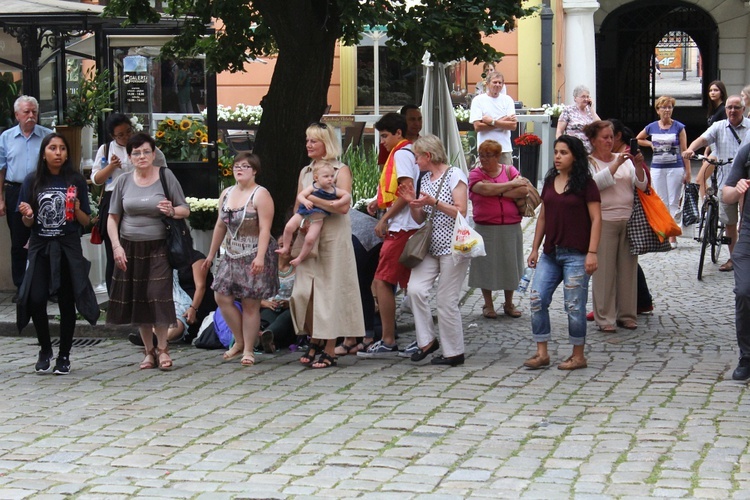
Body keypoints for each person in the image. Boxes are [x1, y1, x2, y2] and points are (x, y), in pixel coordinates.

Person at [16, 133, 98, 374]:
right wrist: (28, 214)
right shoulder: (32, 181)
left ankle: (64, 354)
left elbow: (85, 222)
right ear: (44, 153)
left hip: (67, 246)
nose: (58, 152)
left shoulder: (75, 180)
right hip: (41, 247)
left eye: (62, 148)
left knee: (67, 301)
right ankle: (44, 348)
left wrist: (78, 209)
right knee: (35, 298)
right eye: (53, 148)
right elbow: (27, 223)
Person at [106, 133, 189, 371]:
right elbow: (112, 218)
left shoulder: (165, 176)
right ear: (129, 157)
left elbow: (185, 209)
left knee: (157, 293)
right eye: (136, 153)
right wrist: (116, 246)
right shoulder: (122, 180)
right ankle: (148, 352)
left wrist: (172, 210)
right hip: (130, 246)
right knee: (140, 296)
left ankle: (163, 349)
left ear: (154, 154)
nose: (141, 156)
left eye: (145, 152)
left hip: (160, 245)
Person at [524, 135, 601, 371]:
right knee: (537, 299)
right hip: (551, 252)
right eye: (556, 152)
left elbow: (597, 219)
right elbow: (543, 216)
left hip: (577, 254)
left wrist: (592, 252)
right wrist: (535, 247)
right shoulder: (549, 181)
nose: (557, 156)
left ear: (575, 156)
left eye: (563, 152)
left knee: (574, 306)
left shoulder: (586, 184)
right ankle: (542, 352)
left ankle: (578, 355)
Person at [291, 122, 364, 369]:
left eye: (314, 140)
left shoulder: (340, 169)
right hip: (308, 236)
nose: (308, 144)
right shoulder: (305, 172)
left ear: (326, 143)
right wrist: (295, 228)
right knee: (304, 292)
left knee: (329, 293)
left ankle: (329, 347)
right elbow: (297, 205)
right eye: (307, 140)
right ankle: (316, 338)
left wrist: (312, 201)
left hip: (333, 238)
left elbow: (343, 207)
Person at [396, 135, 470, 367]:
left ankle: (454, 352)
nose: (415, 161)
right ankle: (427, 341)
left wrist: (433, 202)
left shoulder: (455, 174)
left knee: (446, 301)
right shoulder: (424, 179)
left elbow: (462, 211)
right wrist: (413, 203)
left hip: (454, 245)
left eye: (417, 157)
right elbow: (420, 218)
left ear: (428, 156)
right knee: (415, 290)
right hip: (430, 245)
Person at [203, 152, 278, 367]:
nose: (240, 169)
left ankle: (248, 350)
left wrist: (261, 257)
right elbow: (220, 225)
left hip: (254, 252)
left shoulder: (260, 194)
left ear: (254, 171)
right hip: (232, 252)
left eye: (245, 166)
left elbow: (265, 229)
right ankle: (240, 339)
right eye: (237, 165)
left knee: (250, 303)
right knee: (221, 296)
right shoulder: (226, 193)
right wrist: (211, 254)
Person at [358, 112, 421, 358]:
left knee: (383, 281)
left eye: (385, 135)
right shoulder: (404, 152)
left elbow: (406, 192)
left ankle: (388, 338)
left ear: (398, 133)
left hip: (401, 227)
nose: (382, 141)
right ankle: (420, 337)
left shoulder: (402, 155)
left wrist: (385, 217)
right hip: (403, 226)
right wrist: (378, 201)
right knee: (407, 284)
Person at [91, 113, 167, 292]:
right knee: (114, 253)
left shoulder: (145, 147)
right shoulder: (106, 149)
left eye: (128, 132)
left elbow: (163, 169)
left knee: (139, 251)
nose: (126, 137)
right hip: (113, 202)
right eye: (120, 135)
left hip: (142, 198)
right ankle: (115, 295)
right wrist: (111, 167)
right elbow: (95, 179)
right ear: (112, 136)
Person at [587, 120, 648, 332]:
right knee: (604, 273)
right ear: (593, 140)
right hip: (603, 221)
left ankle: (627, 315)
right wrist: (614, 166)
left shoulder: (625, 160)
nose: (609, 141)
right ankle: (605, 318)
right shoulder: (589, 162)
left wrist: (638, 165)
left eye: (611, 137)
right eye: (604, 137)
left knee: (627, 270)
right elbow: (593, 186)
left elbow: (641, 185)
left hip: (628, 219)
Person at [682, 95, 750, 272]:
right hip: (726, 183)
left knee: (745, 224)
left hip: (747, 185)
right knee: (729, 223)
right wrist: (690, 149)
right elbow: (704, 139)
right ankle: (734, 259)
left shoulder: (749, 127)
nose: (732, 111)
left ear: (743, 109)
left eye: (736, 107)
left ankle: (744, 257)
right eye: (729, 107)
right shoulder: (719, 127)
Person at [0, 96, 53, 300]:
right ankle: (21, 286)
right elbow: (1, 169)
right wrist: (1, 199)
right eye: (26, 112)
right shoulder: (6, 137)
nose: (31, 116)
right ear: (17, 115)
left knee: (47, 237)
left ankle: (49, 286)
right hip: (16, 190)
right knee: (19, 240)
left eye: (34, 112)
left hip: (43, 189)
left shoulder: (48, 136)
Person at [468, 139, 527, 319]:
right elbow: (482, 189)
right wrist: (509, 187)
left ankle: (509, 303)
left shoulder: (509, 170)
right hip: (486, 227)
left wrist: (496, 190)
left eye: (488, 156)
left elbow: (523, 189)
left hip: (510, 225)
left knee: (510, 265)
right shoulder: (475, 173)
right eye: (481, 155)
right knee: (486, 266)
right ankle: (488, 304)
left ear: (497, 156)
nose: (484, 159)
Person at [610, 119, 654, 315]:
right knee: (625, 261)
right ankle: (642, 301)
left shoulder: (628, 154)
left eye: (608, 136)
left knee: (623, 261)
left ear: (617, 136)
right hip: (618, 212)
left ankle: (636, 302)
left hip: (628, 212)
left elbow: (644, 182)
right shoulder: (613, 154)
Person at [636, 95, 688, 248]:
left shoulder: (679, 127)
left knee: (673, 201)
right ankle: (663, 231)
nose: (667, 110)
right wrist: (650, 143)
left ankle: (672, 235)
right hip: (658, 167)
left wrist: (688, 172)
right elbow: (638, 139)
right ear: (658, 110)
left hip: (675, 166)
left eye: (669, 107)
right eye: (663, 107)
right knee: (661, 200)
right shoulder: (651, 127)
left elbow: (685, 150)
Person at [278, 160, 351, 266]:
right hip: (303, 213)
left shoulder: (333, 190)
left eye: (332, 176)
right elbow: (300, 196)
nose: (330, 179)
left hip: (317, 219)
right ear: (316, 178)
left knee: (310, 239)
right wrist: (306, 201)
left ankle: (300, 258)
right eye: (326, 176)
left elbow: (347, 196)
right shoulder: (313, 187)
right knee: (289, 226)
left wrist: (338, 202)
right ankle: (285, 247)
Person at [721, 141, 750, 380]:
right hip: (749, 233)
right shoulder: (747, 151)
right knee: (744, 291)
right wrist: (738, 188)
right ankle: (747, 356)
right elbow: (726, 194)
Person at [258, 239, 296, 353]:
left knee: (287, 317)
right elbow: (253, 294)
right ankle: (265, 339)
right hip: (269, 305)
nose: (287, 248)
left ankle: (265, 336)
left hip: (290, 307)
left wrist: (289, 303)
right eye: (282, 245)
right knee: (266, 317)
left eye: (291, 245)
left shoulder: (299, 267)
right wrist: (266, 303)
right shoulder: (266, 267)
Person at [470, 71, 517, 163]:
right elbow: (478, 127)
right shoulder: (478, 100)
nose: (497, 85)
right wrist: (504, 120)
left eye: (500, 83)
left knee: (506, 177)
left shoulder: (508, 100)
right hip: (485, 150)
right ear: (487, 84)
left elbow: (513, 126)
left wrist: (491, 121)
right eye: (494, 82)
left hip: (504, 150)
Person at [694, 81, 728, 200]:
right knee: (704, 179)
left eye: (716, 90)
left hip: (719, 151)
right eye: (710, 90)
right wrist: (706, 151)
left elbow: (722, 133)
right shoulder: (714, 109)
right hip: (713, 149)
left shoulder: (723, 110)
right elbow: (711, 134)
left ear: (722, 92)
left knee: (700, 179)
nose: (712, 93)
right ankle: (709, 205)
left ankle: (707, 208)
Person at [555, 85, 601, 152]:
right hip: (573, 148)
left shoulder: (590, 111)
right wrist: (561, 147)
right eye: (583, 96)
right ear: (575, 98)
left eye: (587, 97)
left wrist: (592, 109)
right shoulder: (568, 110)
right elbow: (559, 131)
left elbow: (600, 126)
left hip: (589, 150)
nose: (586, 99)